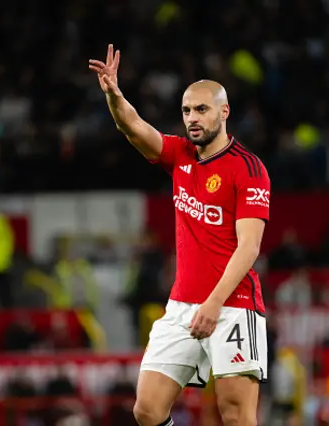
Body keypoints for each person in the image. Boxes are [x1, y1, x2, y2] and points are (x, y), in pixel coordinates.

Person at [89, 44, 270, 426]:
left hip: (233, 304)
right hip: (182, 306)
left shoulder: (249, 169)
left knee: (236, 415)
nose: (192, 118)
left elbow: (249, 247)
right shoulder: (180, 155)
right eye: (186, 110)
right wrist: (114, 96)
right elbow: (132, 126)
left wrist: (214, 303)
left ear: (224, 112)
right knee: (147, 410)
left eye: (201, 109)